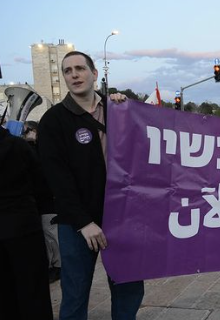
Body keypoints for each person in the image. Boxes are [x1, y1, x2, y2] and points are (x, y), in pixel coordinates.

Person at [38, 51, 144, 320]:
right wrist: (84, 222)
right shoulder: (53, 120)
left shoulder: (118, 110)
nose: (74, 74)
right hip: (77, 223)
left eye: (80, 68)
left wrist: (125, 105)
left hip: (122, 216)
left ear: (94, 74)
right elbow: (57, 178)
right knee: (75, 293)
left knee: (129, 287)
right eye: (67, 70)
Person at [0, 123, 53, 320]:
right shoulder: (19, 147)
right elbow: (41, 185)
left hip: (18, 224)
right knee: (33, 289)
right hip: (24, 226)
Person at [24, 120, 61, 283]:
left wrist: (33, 143)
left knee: (51, 233)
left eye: (28, 131)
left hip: (49, 199)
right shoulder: (27, 149)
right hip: (38, 200)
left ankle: (58, 266)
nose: (25, 135)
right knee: (47, 235)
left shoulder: (43, 147)